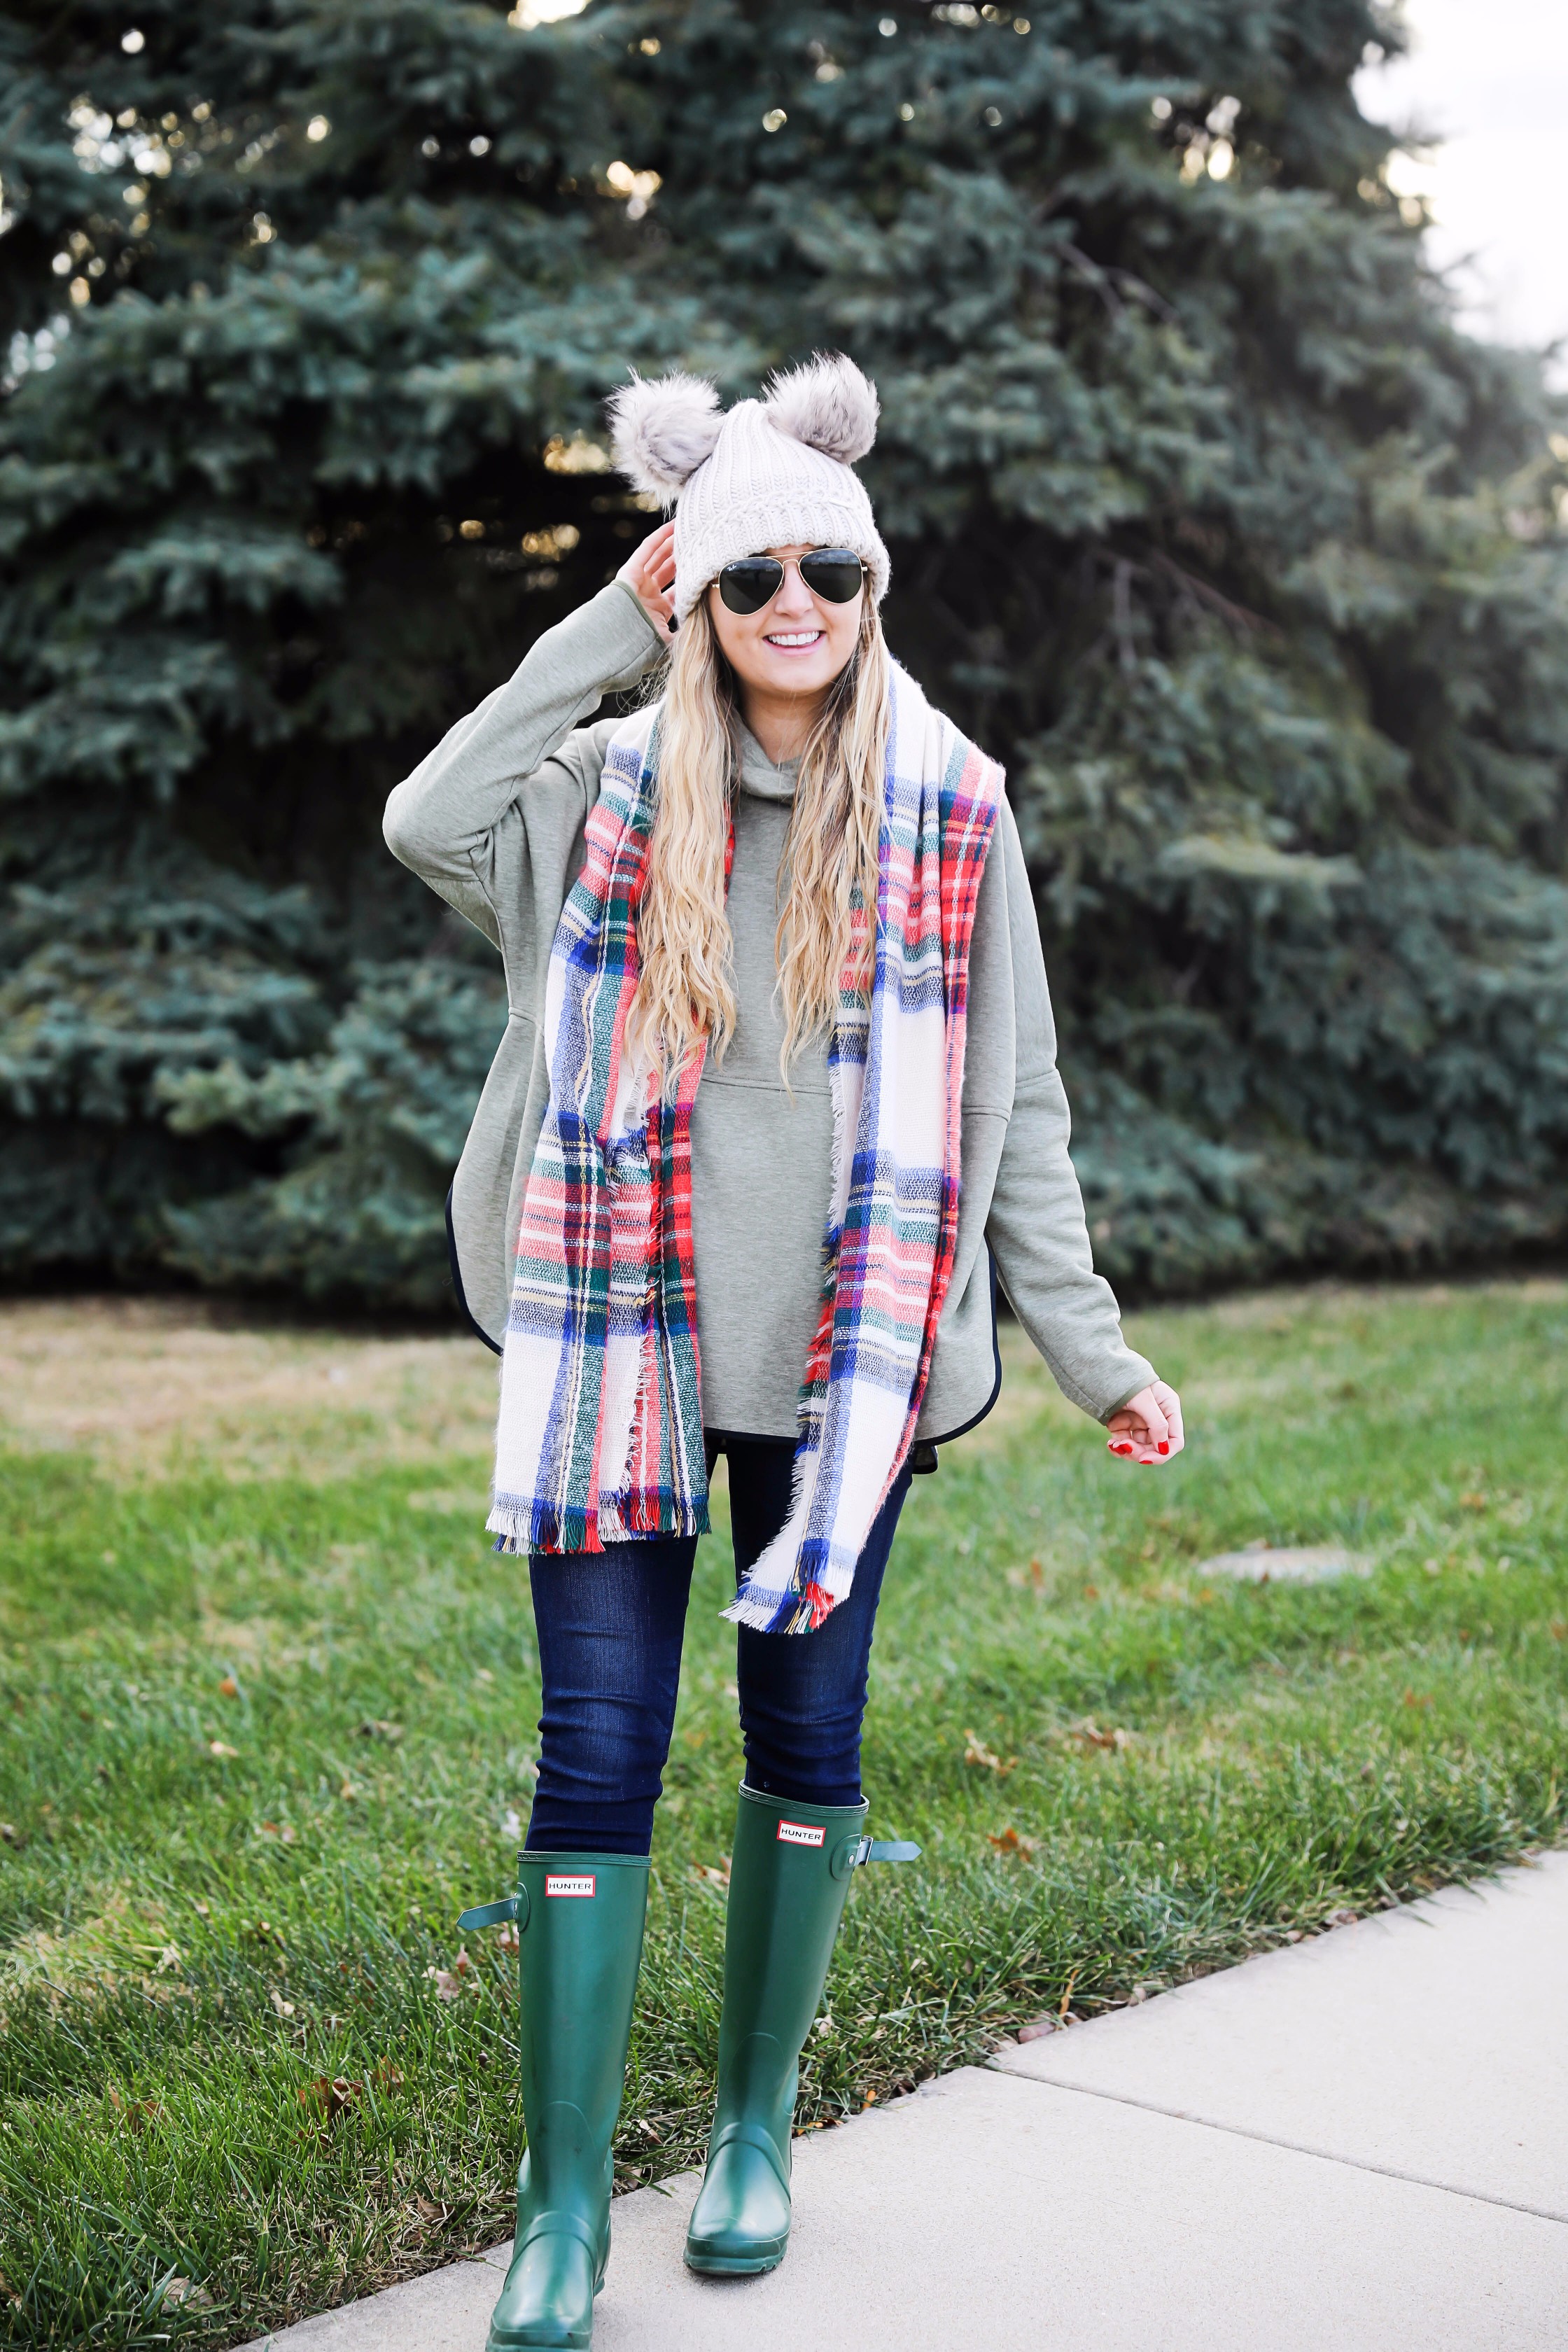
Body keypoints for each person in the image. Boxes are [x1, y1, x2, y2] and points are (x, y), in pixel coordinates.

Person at [383, 353, 1184, 2352]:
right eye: (752, 580)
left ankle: (754, 2137)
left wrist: (1093, 1354)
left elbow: (1020, 1107)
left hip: (850, 1366)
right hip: (617, 1348)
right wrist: (614, 606)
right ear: (703, 598)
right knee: (597, 1756)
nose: (795, 604)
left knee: (804, 1747)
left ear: (871, 580)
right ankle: (560, 2216)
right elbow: (423, 811)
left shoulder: (949, 806)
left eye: (831, 567)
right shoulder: (585, 800)